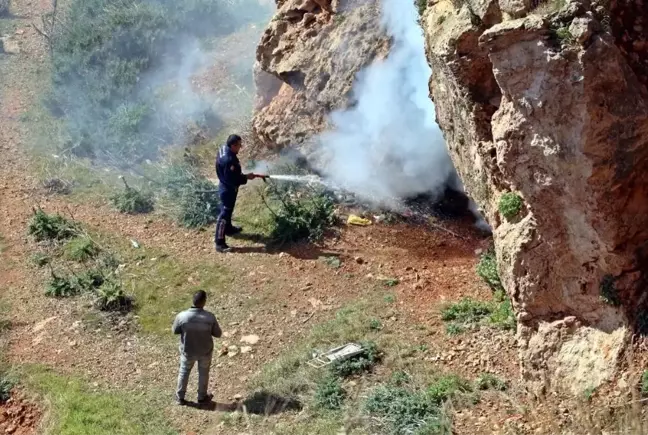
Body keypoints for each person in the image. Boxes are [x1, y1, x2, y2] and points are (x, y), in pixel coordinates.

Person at [172, 290, 222, 405]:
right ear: (204, 302)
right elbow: (218, 334)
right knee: (203, 373)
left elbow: (175, 330)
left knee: (184, 372)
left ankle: (180, 397)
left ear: (193, 301)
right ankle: (202, 397)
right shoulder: (210, 317)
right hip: (205, 351)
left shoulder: (182, 316)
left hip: (188, 351)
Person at [214, 134, 259, 253]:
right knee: (224, 214)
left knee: (229, 210)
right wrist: (246, 177)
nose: (241, 147)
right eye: (239, 145)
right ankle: (219, 243)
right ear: (233, 145)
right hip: (227, 188)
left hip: (224, 184)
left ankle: (228, 229)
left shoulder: (223, 148)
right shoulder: (229, 161)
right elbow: (232, 179)